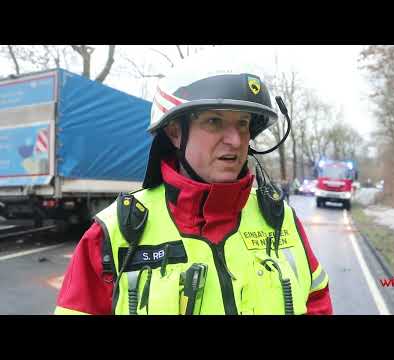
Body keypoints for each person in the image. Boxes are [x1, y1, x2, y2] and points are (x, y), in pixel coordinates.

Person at [54, 54, 333, 315]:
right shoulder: (114, 234)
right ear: (175, 133)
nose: (235, 141)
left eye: (243, 124)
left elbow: (317, 299)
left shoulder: (281, 220)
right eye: (214, 121)